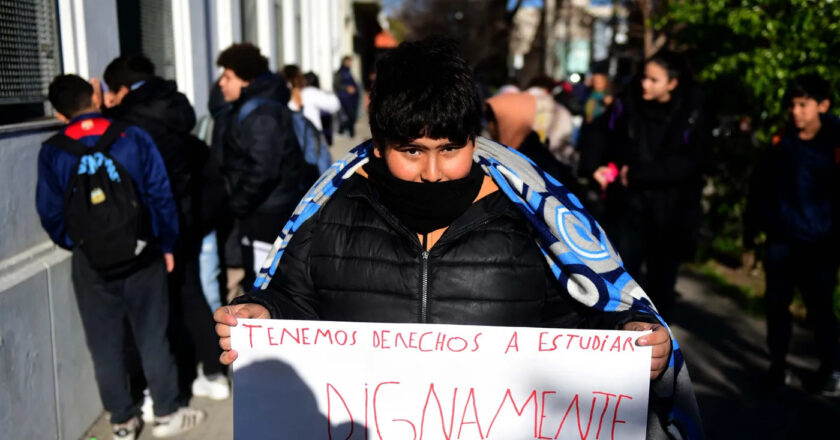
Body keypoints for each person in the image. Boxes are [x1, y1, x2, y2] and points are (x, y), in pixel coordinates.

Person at [214, 38, 703, 439]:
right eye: (411, 150)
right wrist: (264, 313)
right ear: (379, 144)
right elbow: (295, 299)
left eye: (450, 149)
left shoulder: (531, 222)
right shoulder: (332, 213)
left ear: (476, 136)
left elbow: (581, 314)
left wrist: (628, 335)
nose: (432, 172)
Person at [36, 74, 205, 440]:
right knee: (152, 334)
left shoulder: (53, 150)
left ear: (59, 112)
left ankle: (122, 422)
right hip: (142, 251)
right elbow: (161, 193)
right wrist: (167, 243)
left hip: (91, 261)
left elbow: (50, 212)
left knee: (104, 342)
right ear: (94, 98)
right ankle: (165, 414)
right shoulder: (132, 136)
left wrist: (81, 243)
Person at [101, 54, 229, 401]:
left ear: (122, 89)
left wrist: (104, 110)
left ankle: (153, 395)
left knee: (147, 310)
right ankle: (214, 374)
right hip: (186, 219)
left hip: (147, 227)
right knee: (192, 293)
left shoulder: (128, 119)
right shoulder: (176, 106)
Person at [587, 51, 706, 320]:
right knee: (622, 282)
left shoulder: (692, 112)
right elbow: (599, 132)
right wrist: (595, 166)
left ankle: (657, 347)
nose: (645, 84)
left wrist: (641, 173)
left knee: (661, 287)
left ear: (672, 83)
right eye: (644, 77)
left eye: (654, 79)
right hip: (629, 207)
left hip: (671, 213)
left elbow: (691, 164)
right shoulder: (627, 103)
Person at [744, 73, 840, 393]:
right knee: (776, 305)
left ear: (823, 105)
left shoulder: (835, 144)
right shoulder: (780, 142)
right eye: (792, 105)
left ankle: (831, 369)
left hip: (822, 244)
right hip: (782, 240)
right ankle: (778, 364)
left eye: (804, 104)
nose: (796, 111)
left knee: (821, 307)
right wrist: (751, 234)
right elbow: (758, 189)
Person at [216, 43, 310, 287]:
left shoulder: (261, 115)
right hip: (264, 208)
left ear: (246, 80)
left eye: (228, 77)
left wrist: (237, 203)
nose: (221, 83)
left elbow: (263, 170)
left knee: (264, 281)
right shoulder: (255, 107)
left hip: (266, 212)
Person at [484, 91, 576, 188]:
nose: (489, 126)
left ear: (512, 120)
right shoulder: (513, 151)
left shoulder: (534, 163)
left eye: (493, 119)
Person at [525, 75, 575, 167]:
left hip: (516, 161)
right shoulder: (562, 111)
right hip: (552, 163)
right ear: (550, 90)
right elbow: (567, 141)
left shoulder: (515, 106)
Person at [333, 55, 360, 137]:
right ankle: (348, 132)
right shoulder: (340, 72)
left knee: (352, 116)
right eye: (348, 61)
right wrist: (347, 88)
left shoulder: (348, 71)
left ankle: (346, 131)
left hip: (352, 99)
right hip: (345, 98)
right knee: (348, 116)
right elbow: (336, 84)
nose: (350, 63)